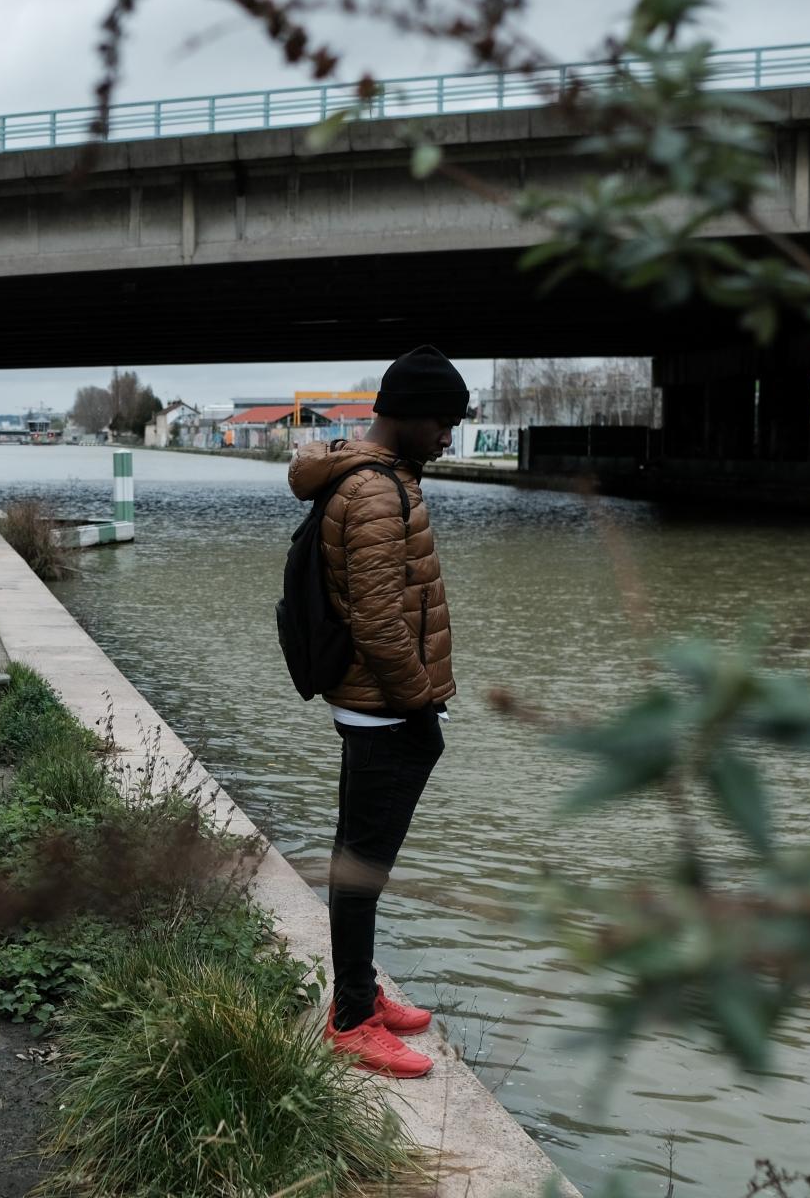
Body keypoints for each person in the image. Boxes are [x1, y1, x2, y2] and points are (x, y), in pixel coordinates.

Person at [286, 344, 466, 1079]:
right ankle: (353, 1019)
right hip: (385, 711)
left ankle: (362, 992)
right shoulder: (376, 494)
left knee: (363, 861)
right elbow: (380, 624)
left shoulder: (377, 480)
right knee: (361, 867)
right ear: (413, 417)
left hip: (378, 707)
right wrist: (421, 704)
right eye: (444, 423)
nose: (449, 438)